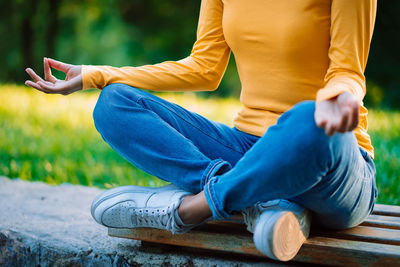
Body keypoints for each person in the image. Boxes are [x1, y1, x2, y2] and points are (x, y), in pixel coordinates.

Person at [25, 0, 378, 262]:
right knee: (114, 103)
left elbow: (347, 71)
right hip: (247, 149)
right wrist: (95, 75)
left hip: (333, 160)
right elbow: (204, 68)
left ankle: (192, 209)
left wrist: (341, 98)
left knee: (306, 118)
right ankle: (254, 194)